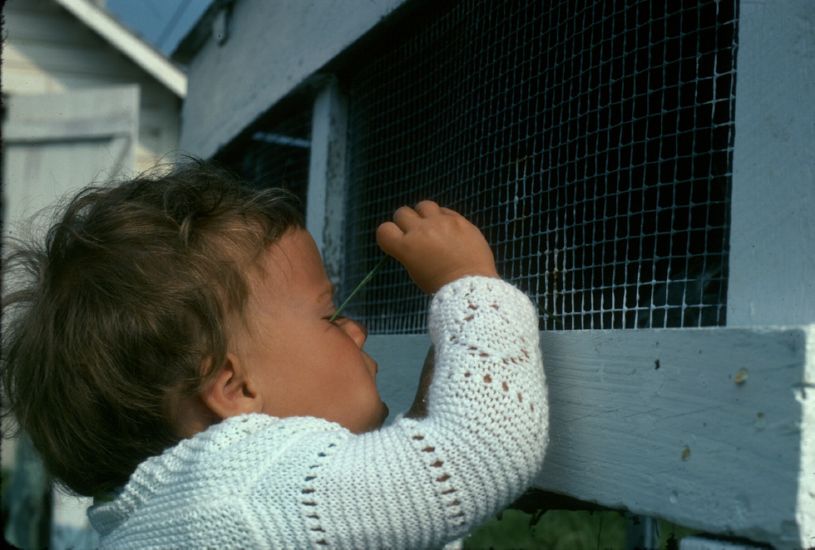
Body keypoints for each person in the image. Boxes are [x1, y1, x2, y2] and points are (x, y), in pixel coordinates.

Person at [2, 160, 548, 549]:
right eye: (328, 316)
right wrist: (467, 283)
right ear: (235, 390)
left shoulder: (166, 518)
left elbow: (413, 484)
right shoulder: (246, 488)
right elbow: (478, 455)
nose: (355, 330)